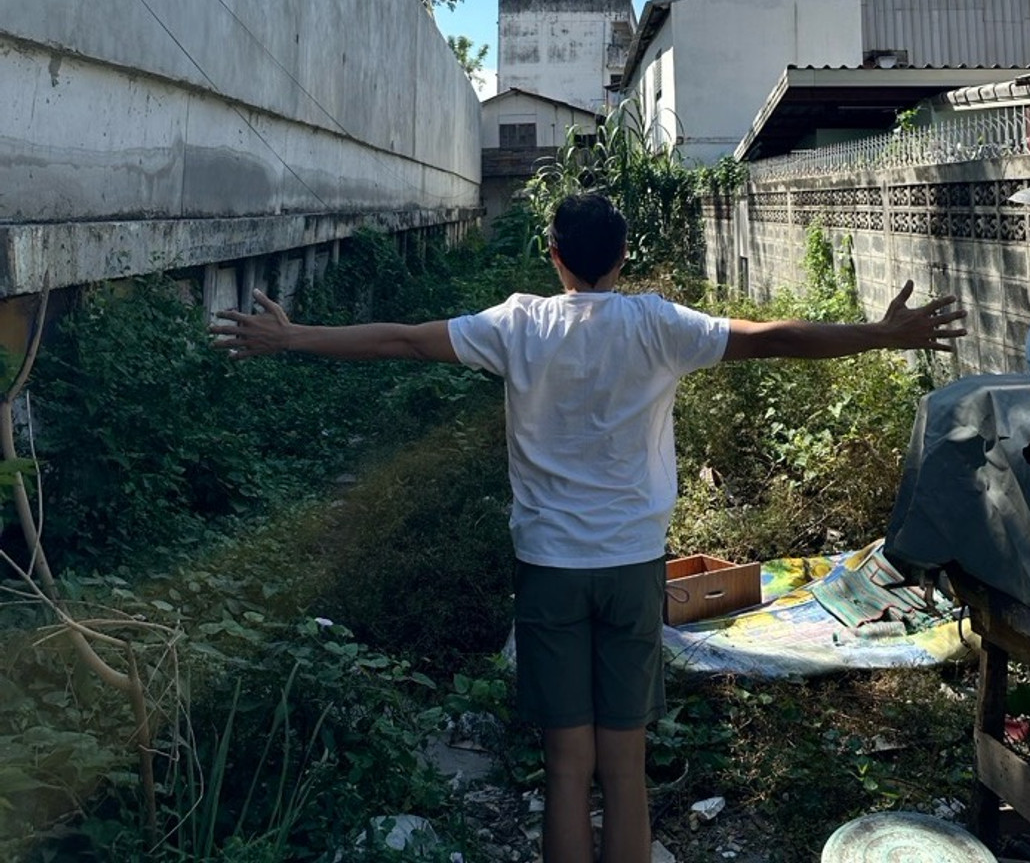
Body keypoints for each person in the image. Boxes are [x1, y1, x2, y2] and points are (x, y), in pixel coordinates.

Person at [213, 193, 966, 863]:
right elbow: (776, 335)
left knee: (567, 768)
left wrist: (295, 336)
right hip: (633, 568)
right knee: (625, 766)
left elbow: (405, 340)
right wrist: (880, 334)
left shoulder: (519, 324)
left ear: (554, 254)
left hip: (549, 571)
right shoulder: (658, 324)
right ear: (623, 255)